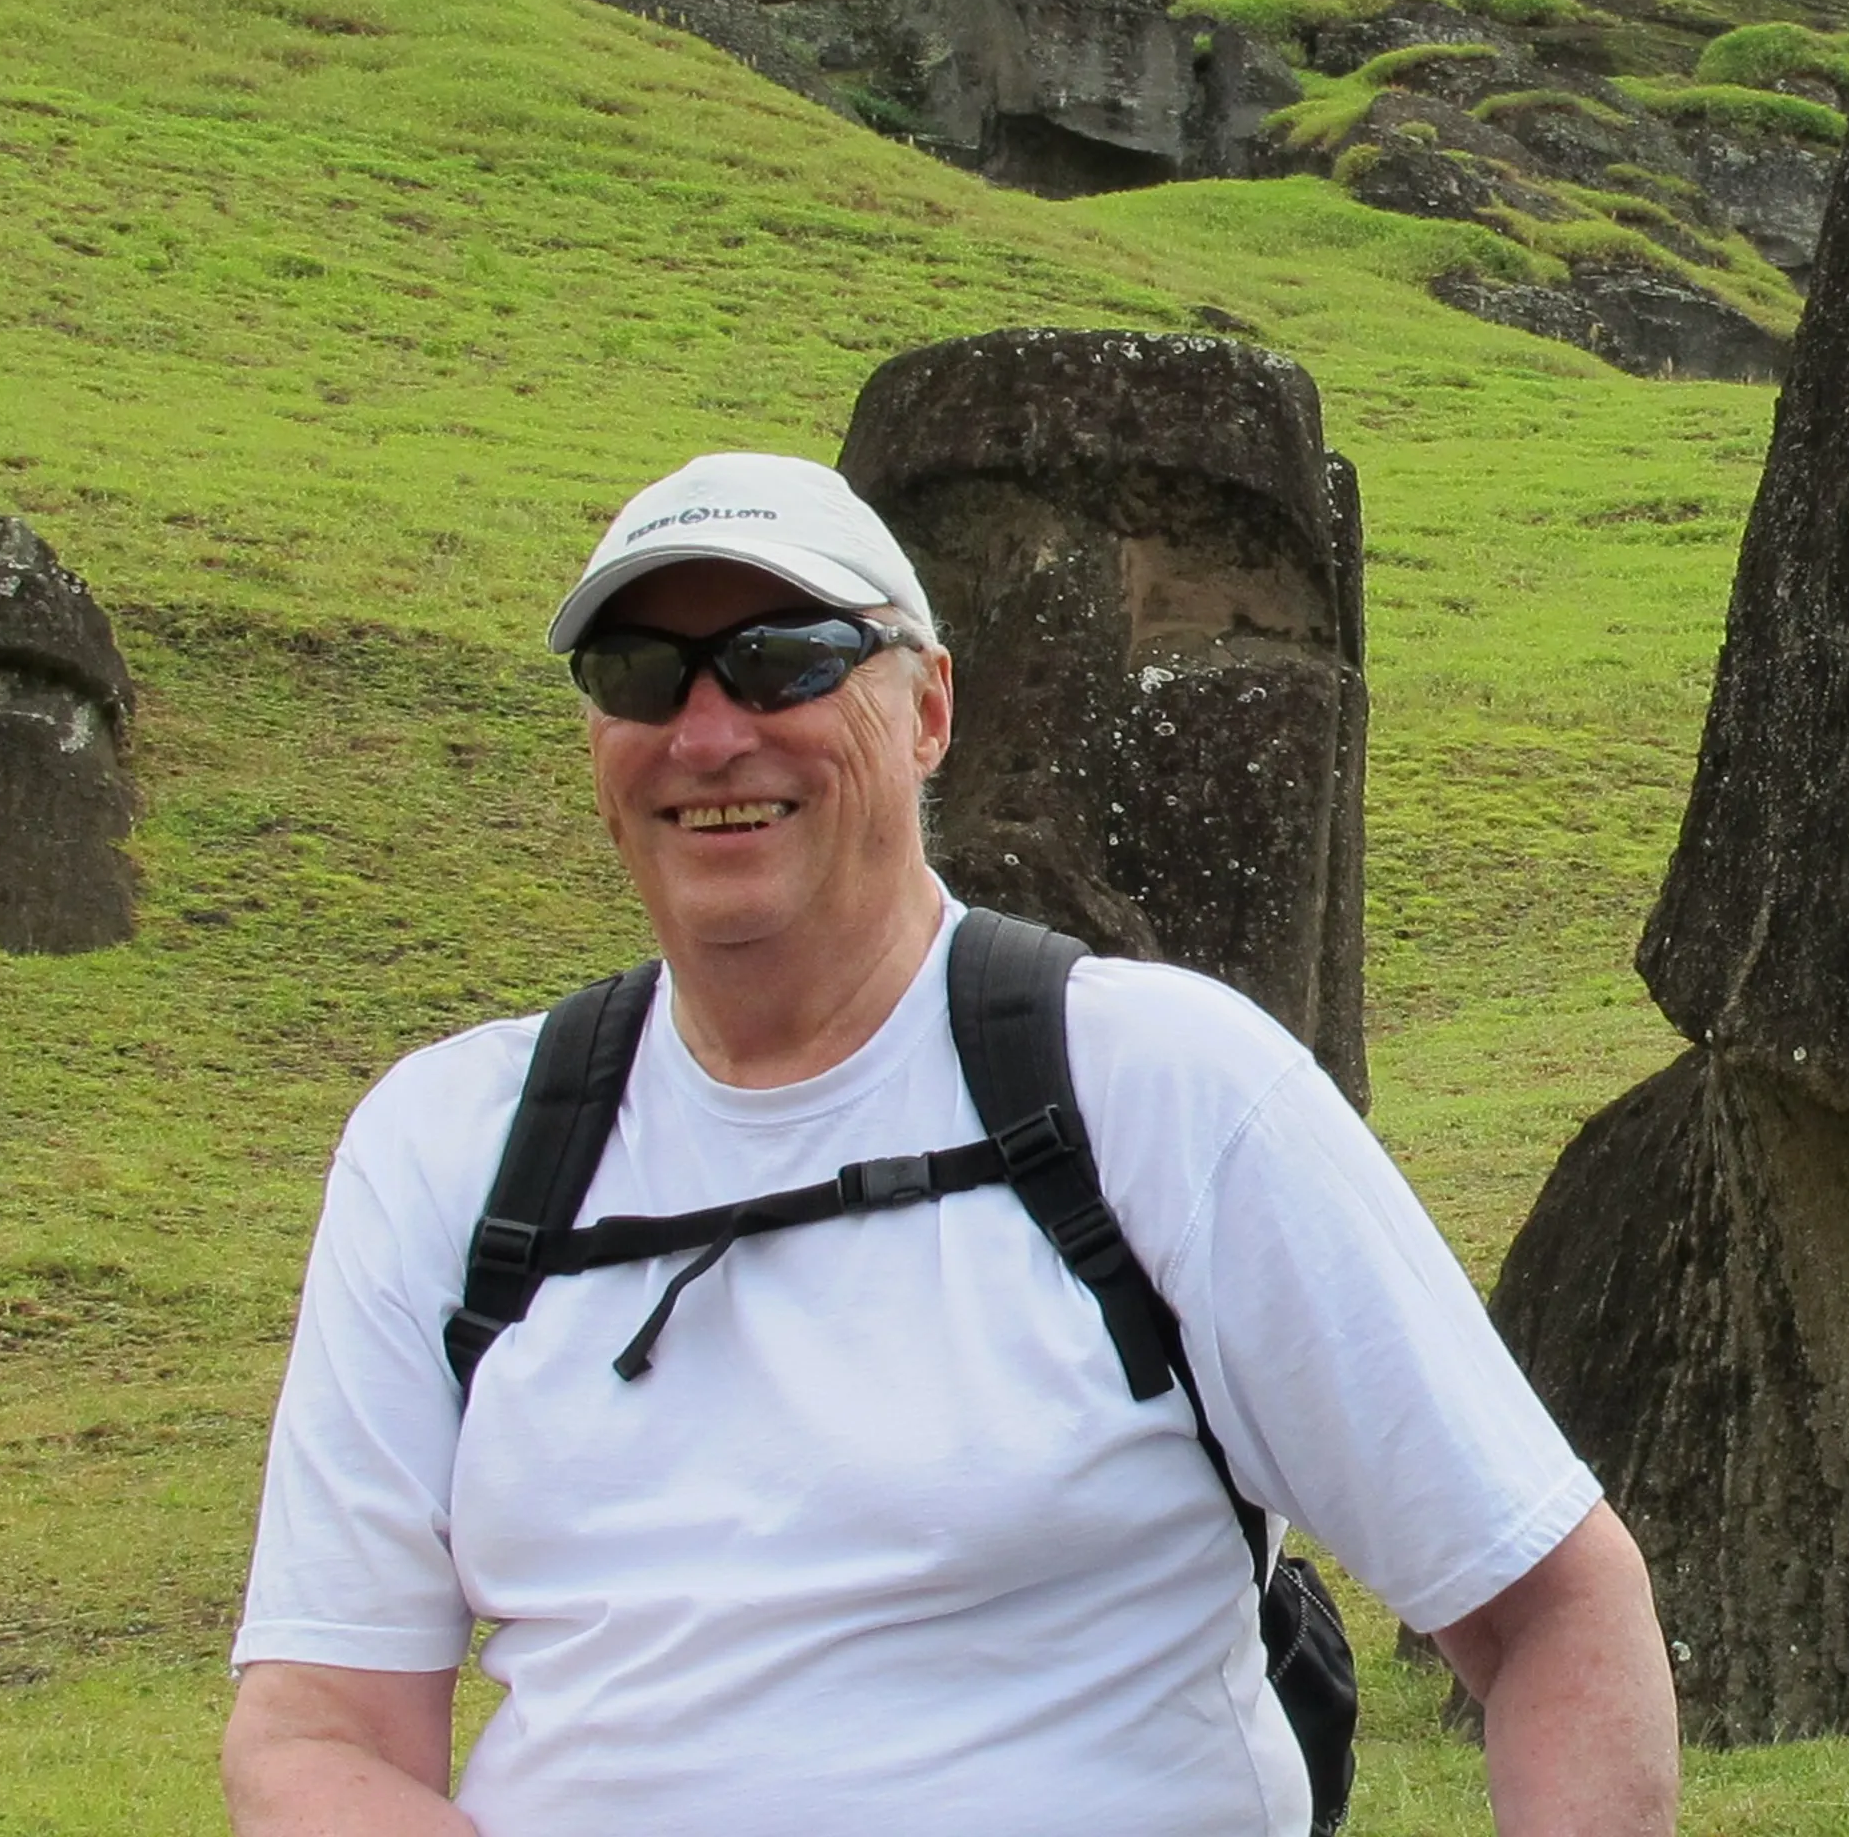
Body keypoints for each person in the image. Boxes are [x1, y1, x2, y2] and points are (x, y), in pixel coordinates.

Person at [224, 451, 1678, 1836]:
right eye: (641, 672)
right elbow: (319, 1733)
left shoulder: (1162, 1088)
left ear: (928, 710)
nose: (710, 730)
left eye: (786, 657)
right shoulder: (445, 1147)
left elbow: (1548, 1602)